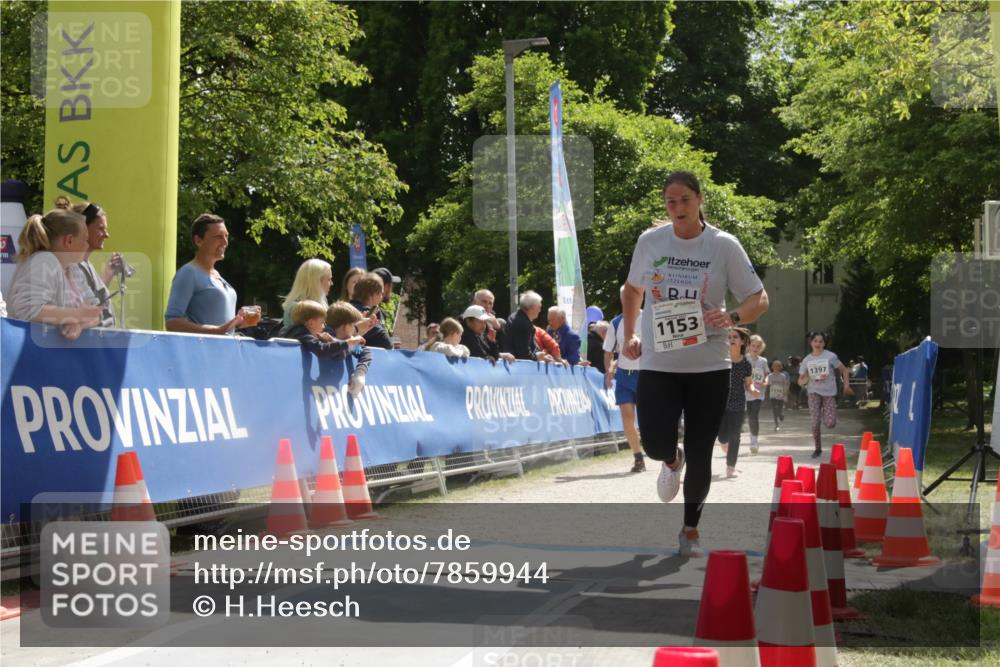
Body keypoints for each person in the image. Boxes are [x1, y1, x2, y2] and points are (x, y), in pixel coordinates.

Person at [621, 170, 768, 557]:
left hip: (709, 365)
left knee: (702, 448)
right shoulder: (651, 242)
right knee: (653, 441)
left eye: (685, 199)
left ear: (700, 200)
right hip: (659, 361)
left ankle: (690, 530)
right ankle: (670, 459)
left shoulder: (723, 245)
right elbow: (632, 288)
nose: (678, 208)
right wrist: (630, 334)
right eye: (671, 201)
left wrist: (733, 318)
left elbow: (759, 298)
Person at [8, 207, 103, 339]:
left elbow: (95, 313)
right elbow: (28, 310)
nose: (88, 245)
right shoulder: (43, 261)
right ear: (69, 241)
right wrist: (76, 315)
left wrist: (79, 324)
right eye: (85, 239)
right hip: (30, 353)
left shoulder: (73, 268)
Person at [165, 214, 246, 335]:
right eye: (218, 237)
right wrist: (217, 331)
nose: (225, 242)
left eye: (226, 236)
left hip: (224, 352)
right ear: (198, 240)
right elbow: (172, 322)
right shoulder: (188, 273)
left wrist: (239, 322)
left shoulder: (217, 275)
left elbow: (222, 325)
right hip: (201, 352)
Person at [58, 198, 118, 327]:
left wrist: (107, 276)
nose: (106, 235)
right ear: (83, 228)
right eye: (101, 228)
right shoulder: (72, 265)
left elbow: (93, 301)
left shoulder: (85, 264)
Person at [604, 301, 644, 473]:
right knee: (627, 418)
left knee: (647, 418)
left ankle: (659, 447)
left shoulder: (649, 317)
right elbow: (608, 351)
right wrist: (609, 371)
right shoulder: (616, 322)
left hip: (646, 375)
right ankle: (638, 458)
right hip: (624, 376)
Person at [799, 331, 852, 457]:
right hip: (813, 392)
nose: (818, 343)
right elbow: (800, 381)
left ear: (824, 343)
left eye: (821, 341)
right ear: (811, 342)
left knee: (830, 424)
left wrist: (846, 385)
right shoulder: (807, 360)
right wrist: (808, 378)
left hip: (829, 392)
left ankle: (827, 413)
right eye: (815, 341)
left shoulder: (830, 356)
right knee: (814, 422)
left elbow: (844, 370)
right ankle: (818, 448)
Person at [717, 328, 758, 478]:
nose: (731, 339)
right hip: (720, 402)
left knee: (735, 436)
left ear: (742, 342)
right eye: (729, 337)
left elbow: (748, 383)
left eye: (735, 337)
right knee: (722, 436)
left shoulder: (746, 364)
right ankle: (722, 440)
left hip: (738, 403)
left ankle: (730, 467)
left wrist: (753, 390)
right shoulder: (721, 360)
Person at [324, 301, 376, 397]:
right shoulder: (325, 337)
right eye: (353, 325)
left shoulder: (349, 341)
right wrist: (349, 343)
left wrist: (360, 373)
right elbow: (337, 353)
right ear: (345, 327)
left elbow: (364, 352)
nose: (355, 329)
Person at [281, 259, 333, 327]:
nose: (331, 283)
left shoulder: (298, 306)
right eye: (329, 279)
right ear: (316, 281)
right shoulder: (297, 309)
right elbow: (303, 337)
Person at [349, 272, 393, 349]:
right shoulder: (368, 314)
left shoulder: (344, 308)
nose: (381, 298)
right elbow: (386, 344)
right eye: (381, 294)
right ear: (372, 294)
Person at [745, 334, 769, 454]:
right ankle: (752, 435)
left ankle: (754, 441)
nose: (755, 348)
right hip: (745, 393)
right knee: (748, 417)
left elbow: (766, 375)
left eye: (758, 346)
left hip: (758, 394)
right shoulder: (744, 359)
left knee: (754, 416)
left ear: (761, 348)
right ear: (748, 346)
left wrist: (765, 382)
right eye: (753, 345)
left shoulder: (763, 361)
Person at [504, 291, 543, 361]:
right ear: (533, 307)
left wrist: (539, 354)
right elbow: (524, 354)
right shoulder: (523, 324)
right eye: (539, 307)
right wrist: (537, 357)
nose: (540, 310)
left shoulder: (515, 317)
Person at [765, 359, 789, 431]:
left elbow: (785, 385)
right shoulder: (770, 376)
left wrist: (785, 395)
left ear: (780, 367)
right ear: (772, 367)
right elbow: (767, 385)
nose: (776, 368)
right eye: (774, 366)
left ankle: (781, 415)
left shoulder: (783, 376)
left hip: (780, 396)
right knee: (774, 411)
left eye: (777, 366)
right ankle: (776, 425)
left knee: (779, 410)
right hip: (772, 396)